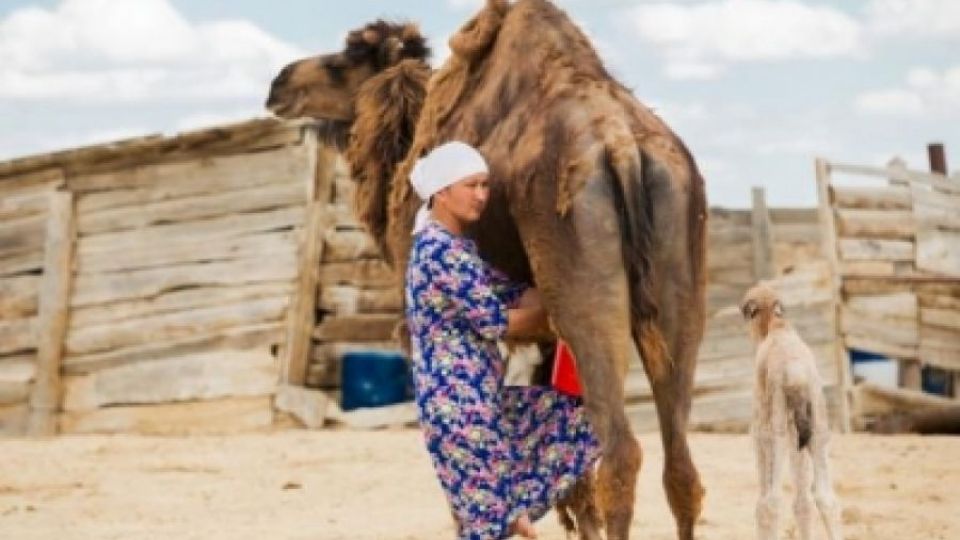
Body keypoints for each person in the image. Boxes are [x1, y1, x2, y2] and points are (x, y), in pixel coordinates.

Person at [404, 141, 600, 540]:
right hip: (457, 402)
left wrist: (564, 288)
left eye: (485, 186)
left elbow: (510, 294)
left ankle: (513, 508)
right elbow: (495, 321)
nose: (481, 196)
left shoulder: (460, 249)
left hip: (483, 394)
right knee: (484, 527)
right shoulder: (438, 251)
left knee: (575, 410)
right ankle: (510, 510)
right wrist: (559, 316)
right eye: (471, 186)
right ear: (442, 192)